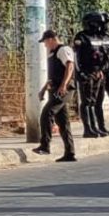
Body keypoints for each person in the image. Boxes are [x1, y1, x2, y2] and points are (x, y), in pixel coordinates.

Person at [34, 30, 77, 162]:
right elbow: (53, 76)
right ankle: (70, 153)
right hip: (56, 90)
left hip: (64, 90)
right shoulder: (52, 53)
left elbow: (70, 66)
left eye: (46, 42)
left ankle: (45, 146)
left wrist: (64, 85)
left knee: (47, 113)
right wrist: (43, 90)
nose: (45, 45)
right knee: (63, 122)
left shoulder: (63, 50)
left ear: (51, 39)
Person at [72, 13, 107, 138]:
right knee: (86, 101)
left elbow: (102, 54)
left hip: (97, 73)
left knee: (94, 101)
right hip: (86, 73)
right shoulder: (81, 37)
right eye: (98, 23)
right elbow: (75, 56)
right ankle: (88, 129)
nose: (100, 26)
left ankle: (95, 127)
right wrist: (81, 72)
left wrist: (101, 69)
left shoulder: (97, 37)